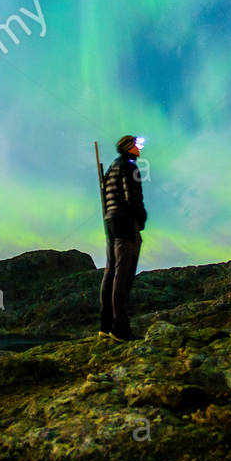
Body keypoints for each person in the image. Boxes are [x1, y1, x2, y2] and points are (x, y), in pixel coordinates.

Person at [99, 134, 147, 342]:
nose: (139, 149)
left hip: (110, 220)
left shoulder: (111, 168)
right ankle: (120, 328)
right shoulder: (129, 166)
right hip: (126, 221)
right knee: (123, 273)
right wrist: (141, 218)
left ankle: (105, 325)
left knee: (111, 272)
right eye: (137, 145)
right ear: (129, 147)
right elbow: (132, 196)